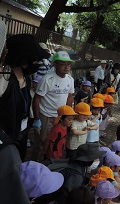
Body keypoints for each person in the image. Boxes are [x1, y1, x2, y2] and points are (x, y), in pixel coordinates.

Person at [0, 33, 50, 161]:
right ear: (23, 58)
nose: (37, 62)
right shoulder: (4, 81)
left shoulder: (26, 78)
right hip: (6, 142)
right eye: (34, 59)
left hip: (21, 135)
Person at [32, 51, 74, 158]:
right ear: (55, 64)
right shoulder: (47, 79)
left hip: (59, 117)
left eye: (68, 64)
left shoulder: (70, 80)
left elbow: (70, 96)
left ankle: (49, 164)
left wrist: (67, 115)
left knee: (55, 141)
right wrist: (37, 119)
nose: (66, 67)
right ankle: (36, 165)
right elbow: (37, 99)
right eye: (62, 64)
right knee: (42, 143)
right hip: (46, 116)